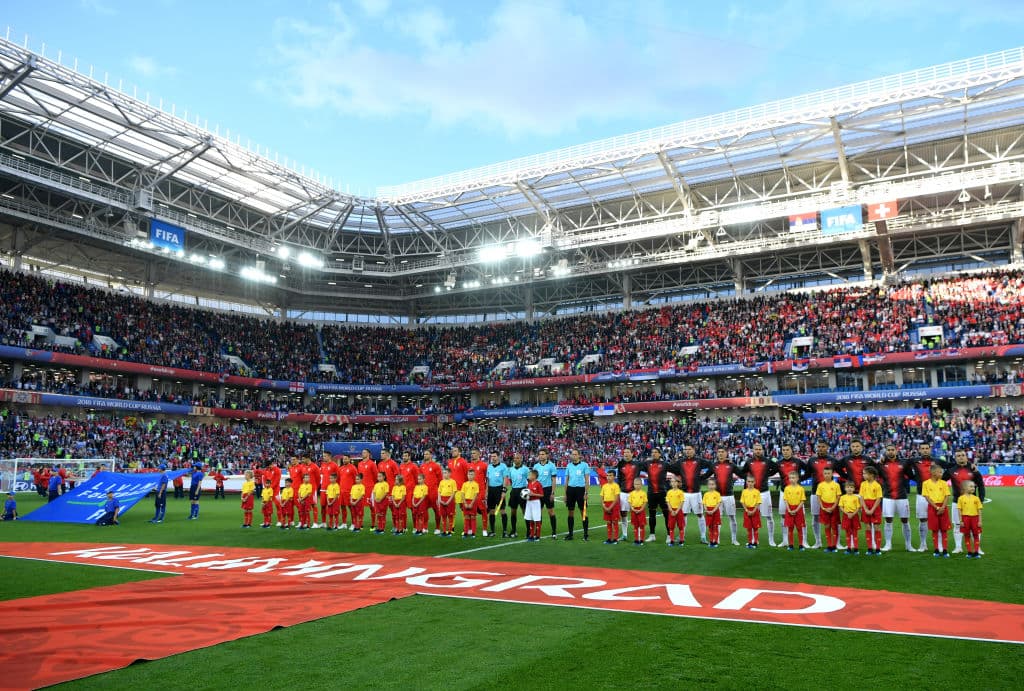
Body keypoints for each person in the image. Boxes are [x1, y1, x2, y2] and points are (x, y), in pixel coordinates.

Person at [946, 449, 985, 554]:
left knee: (975, 526)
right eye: (958, 455)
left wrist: (980, 500)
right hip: (956, 502)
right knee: (957, 525)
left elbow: (981, 485)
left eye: (963, 455)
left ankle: (977, 548)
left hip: (972, 503)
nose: (961, 457)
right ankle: (958, 547)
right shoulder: (951, 470)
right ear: (955, 458)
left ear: (966, 456)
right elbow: (940, 479)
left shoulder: (974, 470)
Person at [877, 443, 913, 552]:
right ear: (886, 451)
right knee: (888, 520)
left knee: (905, 520)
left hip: (902, 496)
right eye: (888, 450)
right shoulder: (881, 464)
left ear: (896, 451)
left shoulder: (904, 463)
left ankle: (908, 545)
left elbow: (911, 476)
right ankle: (888, 544)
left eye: (892, 449)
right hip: (887, 496)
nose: (891, 451)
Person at [741, 443, 778, 547]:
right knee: (752, 517)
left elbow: (776, 468)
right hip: (751, 494)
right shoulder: (749, 462)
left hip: (764, 493)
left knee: (769, 517)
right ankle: (753, 540)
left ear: (762, 450)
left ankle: (771, 540)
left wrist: (767, 474)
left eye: (759, 449)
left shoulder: (767, 461)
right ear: (753, 450)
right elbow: (742, 473)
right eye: (756, 449)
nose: (758, 451)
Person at [676, 444, 710, 545]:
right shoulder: (681, 462)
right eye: (686, 449)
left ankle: (703, 536)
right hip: (685, 494)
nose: (687, 451)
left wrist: (703, 477)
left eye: (689, 449)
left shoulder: (699, 461)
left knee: (700, 514)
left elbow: (711, 466)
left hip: (696, 493)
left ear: (694, 450)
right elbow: (671, 468)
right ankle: (682, 535)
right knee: (684, 514)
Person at [807, 440, 836, 549]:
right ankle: (818, 541)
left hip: (831, 494)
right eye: (819, 446)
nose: (821, 448)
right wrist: (796, 480)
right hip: (815, 493)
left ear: (827, 447)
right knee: (815, 517)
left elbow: (842, 472)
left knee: (833, 518)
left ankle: (835, 542)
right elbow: (806, 474)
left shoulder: (832, 460)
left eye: (823, 446)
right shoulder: (811, 460)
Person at [776, 443, 807, 548]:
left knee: (801, 516)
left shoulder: (797, 461)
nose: (785, 451)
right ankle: (785, 540)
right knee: (783, 515)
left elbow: (809, 470)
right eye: (783, 450)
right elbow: (770, 471)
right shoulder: (779, 463)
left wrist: (800, 480)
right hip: (784, 492)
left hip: (797, 493)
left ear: (791, 450)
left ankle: (804, 542)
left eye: (787, 450)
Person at [709, 446, 741, 546]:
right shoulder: (714, 465)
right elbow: (705, 475)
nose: (720, 453)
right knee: (718, 519)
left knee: (732, 518)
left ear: (726, 453)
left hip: (729, 496)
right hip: (717, 497)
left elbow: (742, 473)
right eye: (719, 452)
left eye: (722, 452)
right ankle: (716, 538)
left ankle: (734, 539)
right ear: (717, 453)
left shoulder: (731, 465)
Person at [642, 447, 672, 543]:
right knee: (651, 515)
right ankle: (652, 535)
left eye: (656, 452)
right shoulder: (647, 464)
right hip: (651, 493)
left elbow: (676, 470)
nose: (653, 454)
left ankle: (669, 535)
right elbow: (637, 466)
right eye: (652, 452)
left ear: (660, 454)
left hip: (662, 492)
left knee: (666, 515)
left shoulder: (665, 464)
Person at [921, 463, 951, 557]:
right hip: (933, 508)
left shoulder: (944, 483)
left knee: (944, 529)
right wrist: (937, 507)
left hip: (943, 507)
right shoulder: (925, 483)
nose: (941, 474)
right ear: (933, 472)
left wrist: (942, 507)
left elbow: (947, 496)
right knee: (934, 529)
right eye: (940, 472)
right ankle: (936, 549)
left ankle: (945, 549)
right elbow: (927, 497)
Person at [564, 449, 594, 541]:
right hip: (570, 490)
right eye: (572, 454)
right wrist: (565, 494)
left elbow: (587, 480)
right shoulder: (568, 466)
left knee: (583, 513)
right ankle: (570, 534)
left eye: (575, 454)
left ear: (579, 455)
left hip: (581, 490)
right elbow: (567, 480)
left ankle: (585, 534)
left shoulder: (584, 465)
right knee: (570, 512)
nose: (574, 456)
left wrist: (586, 492)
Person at [532, 448, 558, 538]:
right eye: (540, 454)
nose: (541, 456)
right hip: (537, 492)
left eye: (543, 454)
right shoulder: (535, 466)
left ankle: (554, 532)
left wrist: (553, 492)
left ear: (547, 455)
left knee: (551, 512)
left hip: (547, 491)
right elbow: (533, 480)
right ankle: (537, 532)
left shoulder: (551, 466)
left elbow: (554, 480)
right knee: (538, 513)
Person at [815, 466, 842, 553]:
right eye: (825, 473)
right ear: (823, 474)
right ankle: (829, 545)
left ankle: (834, 545)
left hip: (833, 507)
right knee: (827, 526)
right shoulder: (820, 485)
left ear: (832, 474)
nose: (827, 475)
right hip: (824, 507)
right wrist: (823, 507)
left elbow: (838, 497)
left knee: (834, 526)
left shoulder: (836, 485)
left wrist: (833, 507)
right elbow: (818, 497)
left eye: (829, 473)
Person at [485, 451, 510, 538]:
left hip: (499, 490)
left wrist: (503, 491)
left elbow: (505, 479)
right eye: (492, 456)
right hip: (491, 490)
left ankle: (505, 531)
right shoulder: (489, 467)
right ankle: (492, 531)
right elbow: (487, 480)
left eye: (495, 456)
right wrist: (486, 492)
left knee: (502, 510)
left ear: (498, 457)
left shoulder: (503, 466)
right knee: (491, 511)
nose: (493, 458)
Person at [859, 466, 883, 555]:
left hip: (875, 507)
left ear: (871, 475)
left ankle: (877, 549)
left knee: (876, 527)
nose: (863, 475)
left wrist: (872, 510)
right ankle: (869, 548)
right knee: (868, 527)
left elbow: (878, 499)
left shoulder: (877, 485)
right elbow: (861, 497)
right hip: (866, 505)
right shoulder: (863, 484)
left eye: (864, 473)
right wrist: (865, 508)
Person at [956, 480, 983, 558]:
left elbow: (979, 510)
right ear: (964, 488)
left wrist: (980, 521)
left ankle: (976, 552)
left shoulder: (976, 498)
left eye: (974, 486)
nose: (973, 488)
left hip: (975, 518)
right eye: (971, 486)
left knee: (976, 535)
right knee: (967, 535)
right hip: (965, 518)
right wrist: (961, 520)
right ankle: (969, 552)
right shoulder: (960, 498)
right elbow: (959, 510)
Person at [419, 449, 444, 534]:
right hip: (424, 492)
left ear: (431, 455)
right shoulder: (421, 466)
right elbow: (420, 479)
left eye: (427, 454)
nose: (425, 455)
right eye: (424, 454)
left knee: (436, 510)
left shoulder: (436, 466)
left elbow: (440, 479)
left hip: (433, 492)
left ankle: (437, 528)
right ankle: (425, 527)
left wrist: (439, 491)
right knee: (424, 510)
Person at [781, 470, 807, 552]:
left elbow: (802, 501)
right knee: (790, 529)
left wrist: (796, 509)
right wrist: (789, 509)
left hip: (798, 510)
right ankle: (791, 545)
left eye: (793, 478)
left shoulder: (801, 488)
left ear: (797, 478)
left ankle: (801, 545)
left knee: (799, 528)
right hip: (789, 509)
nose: (792, 479)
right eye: (790, 478)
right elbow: (785, 500)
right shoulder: (787, 488)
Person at [507, 452, 530, 539]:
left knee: (525, 512)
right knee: (513, 512)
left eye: (518, 458)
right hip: (514, 491)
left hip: (523, 491)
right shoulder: (511, 469)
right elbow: (511, 481)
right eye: (515, 458)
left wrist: (527, 491)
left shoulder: (526, 469)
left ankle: (529, 531)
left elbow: (530, 481)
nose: (516, 459)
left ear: (521, 459)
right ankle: (513, 531)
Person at [469, 450, 490, 535]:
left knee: (483, 511)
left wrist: (486, 491)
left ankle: (484, 529)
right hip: (470, 492)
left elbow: (487, 479)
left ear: (479, 454)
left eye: (474, 453)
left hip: (481, 492)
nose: (472, 455)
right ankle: (470, 529)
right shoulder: (469, 465)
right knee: (470, 511)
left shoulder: (484, 465)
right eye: (472, 453)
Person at [838, 481, 862, 554]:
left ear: (854, 489)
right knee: (848, 532)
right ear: (845, 488)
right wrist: (847, 513)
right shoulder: (842, 497)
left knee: (855, 532)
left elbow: (858, 507)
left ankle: (856, 548)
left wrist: (853, 514)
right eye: (848, 487)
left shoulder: (856, 497)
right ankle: (848, 548)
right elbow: (841, 507)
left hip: (855, 516)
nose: (849, 489)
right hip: (846, 516)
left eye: (851, 487)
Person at [599, 470, 621, 544]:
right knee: (608, 522)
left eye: (610, 475)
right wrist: (604, 506)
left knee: (615, 522)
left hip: (614, 506)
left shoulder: (616, 486)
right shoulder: (604, 486)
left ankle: (615, 539)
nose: (608, 477)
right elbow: (601, 497)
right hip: (606, 505)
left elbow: (616, 498)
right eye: (607, 475)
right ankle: (609, 538)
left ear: (614, 477)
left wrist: (610, 507)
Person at [740, 475, 762, 548]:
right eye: (749, 481)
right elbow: (742, 502)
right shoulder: (744, 491)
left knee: (755, 528)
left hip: (755, 511)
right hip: (747, 511)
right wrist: (746, 510)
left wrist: (753, 510)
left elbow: (758, 502)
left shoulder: (757, 492)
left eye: (752, 482)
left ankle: (755, 542)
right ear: (746, 482)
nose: (750, 483)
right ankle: (750, 542)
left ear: (754, 482)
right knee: (749, 528)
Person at [524, 469, 544, 542]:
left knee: (537, 519)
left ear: (534, 476)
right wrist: (525, 496)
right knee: (531, 519)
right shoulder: (529, 484)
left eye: (530, 475)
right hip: (529, 503)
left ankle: (538, 536)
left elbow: (542, 495)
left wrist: (533, 494)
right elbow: (527, 492)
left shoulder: (538, 484)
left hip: (536, 503)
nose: (529, 476)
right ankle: (531, 535)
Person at [437, 468, 458, 537]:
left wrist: (448, 501)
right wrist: (439, 499)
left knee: (450, 516)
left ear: (449, 473)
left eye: (445, 473)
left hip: (450, 500)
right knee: (443, 516)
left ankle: (450, 531)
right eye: (443, 473)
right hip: (442, 499)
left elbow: (454, 492)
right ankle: (444, 531)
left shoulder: (453, 482)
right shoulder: (441, 482)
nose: (444, 474)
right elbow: (439, 491)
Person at [665, 476, 685, 546]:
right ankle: (672, 541)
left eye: (675, 482)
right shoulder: (669, 492)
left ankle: (681, 541)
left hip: (678, 511)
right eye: (672, 482)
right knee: (671, 526)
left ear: (677, 483)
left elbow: (681, 502)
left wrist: (676, 511)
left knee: (680, 526)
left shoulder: (680, 492)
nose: (673, 483)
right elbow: (668, 502)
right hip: (671, 511)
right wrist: (671, 510)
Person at [702, 478, 722, 548]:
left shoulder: (717, 494)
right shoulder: (706, 494)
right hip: (708, 511)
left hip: (715, 511)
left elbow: (718, 503)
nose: (711, 486)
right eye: (710, 484)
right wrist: (706, 510)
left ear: (715, 485)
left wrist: (713, 510)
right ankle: (711, 541)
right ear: (707, 485)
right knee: (710, 527)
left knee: (715, 527)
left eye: (712, 484)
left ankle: (715, 541)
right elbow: (704, 503)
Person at [461, 468, 480, 538]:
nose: (470, 476)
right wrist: (465, 503)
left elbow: (476, 495)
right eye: (469, 474)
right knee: (466, 517)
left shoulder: (476, 484)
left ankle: (473, 533)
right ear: (467, 475)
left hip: (473, 502)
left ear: (474, 476)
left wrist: (471, 503)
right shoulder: (464, 484)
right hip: (466, 501)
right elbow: (462, 494)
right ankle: (466, 532)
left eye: (472, 474)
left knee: (473, 517)